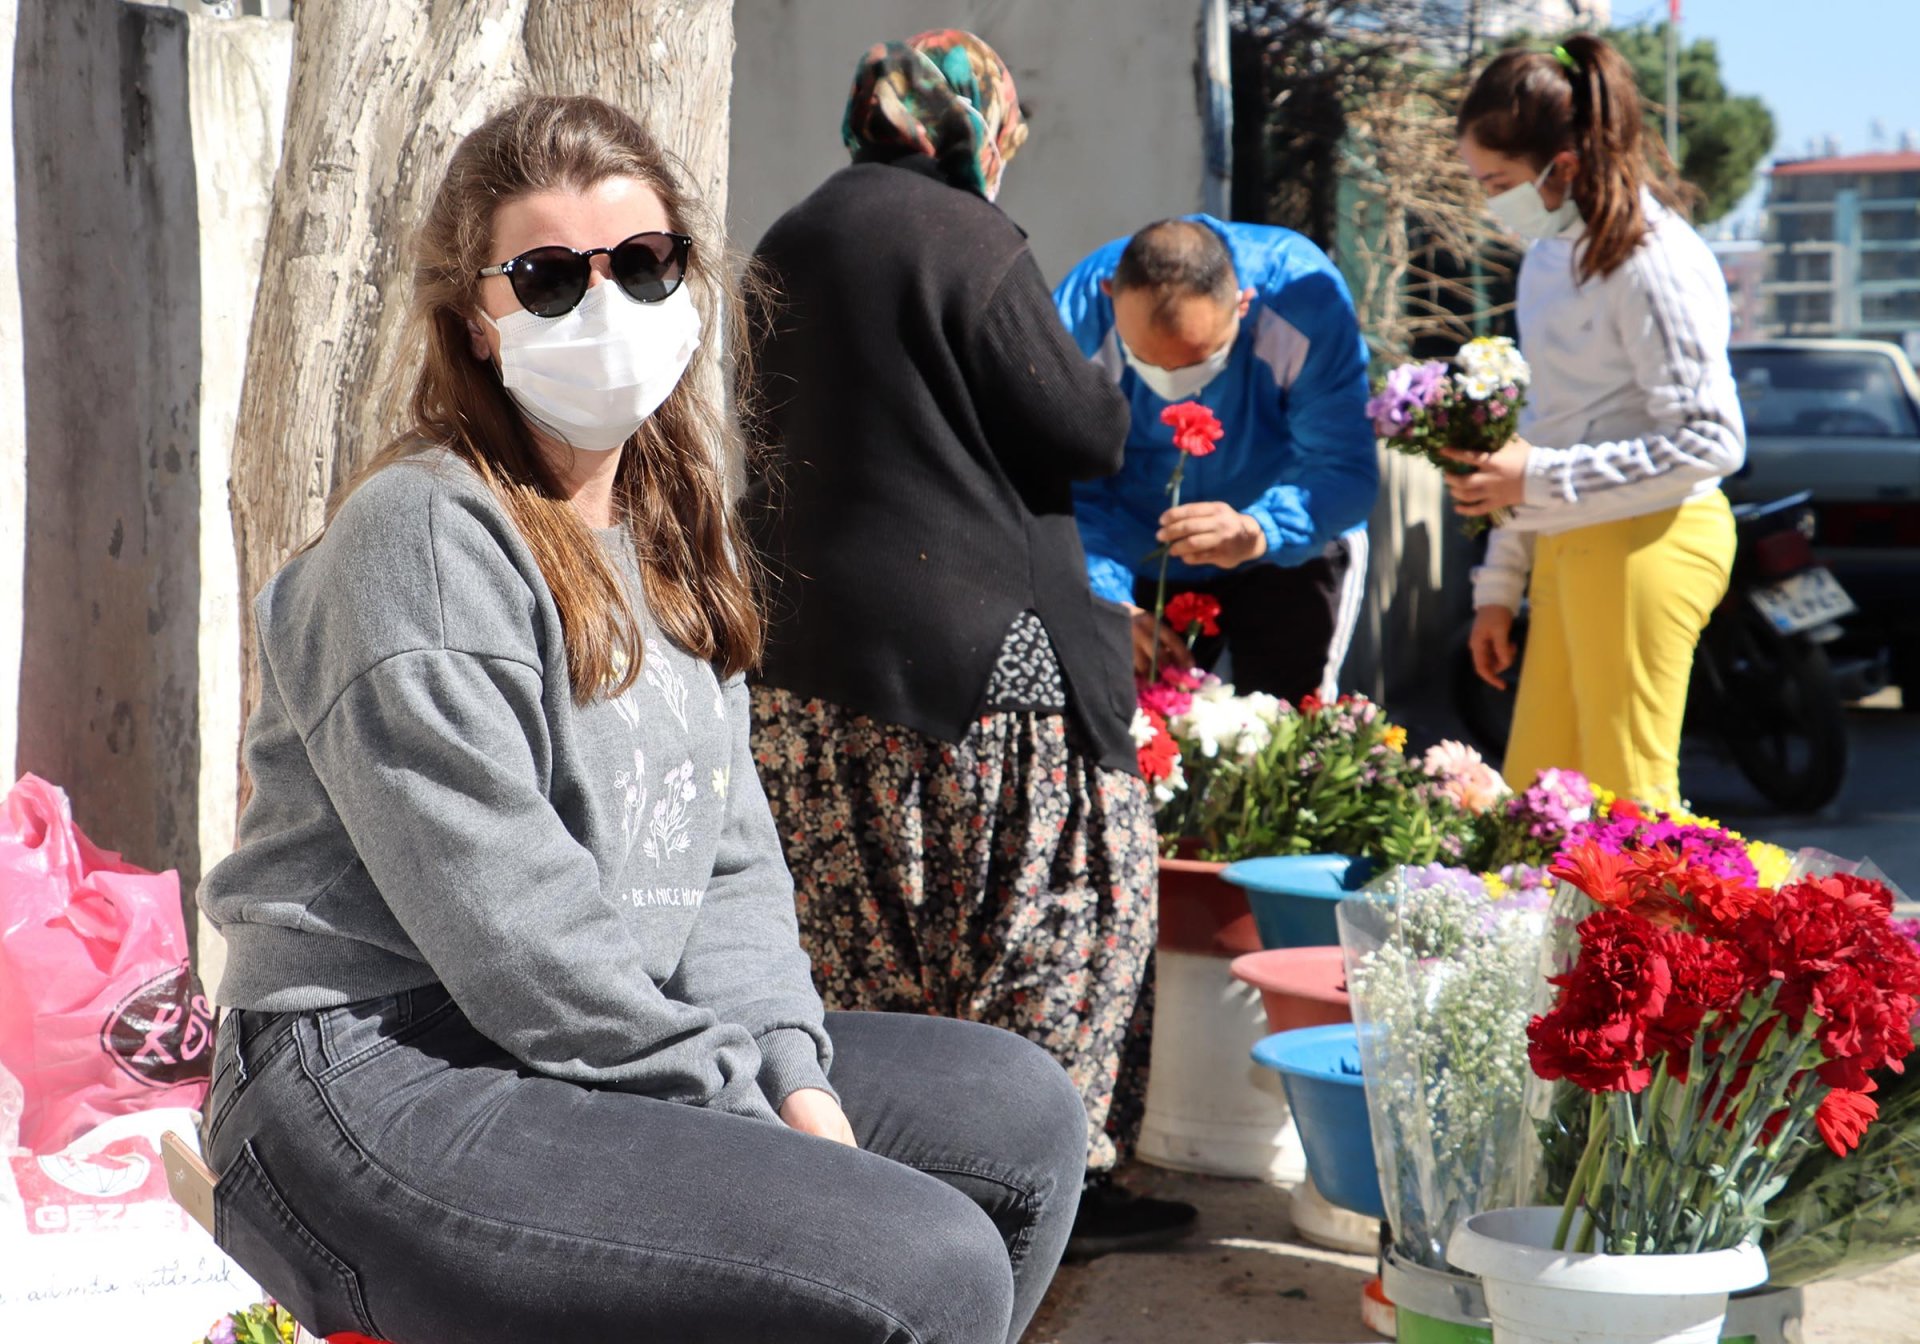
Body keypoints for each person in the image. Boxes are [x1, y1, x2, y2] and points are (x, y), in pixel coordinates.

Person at [197, 95, 1090, 1344]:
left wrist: (790, 1067)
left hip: (586, 1037)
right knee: (923, 1255)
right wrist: (740, 1104)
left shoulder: (665, 533)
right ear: (476, 316)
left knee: (1019, 1116)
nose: (603, 305)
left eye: (642, 262)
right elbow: (516, 934)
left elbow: (727, 858)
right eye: (549, 278)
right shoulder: (426, 538)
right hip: (373, 1078)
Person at [745, 31, 1192, 1257]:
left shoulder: (787, 241)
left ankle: (895, 1195)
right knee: (1060, 919)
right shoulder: (969, 241)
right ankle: (1043, 1189)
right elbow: (1082, 427)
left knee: (864, 949)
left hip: (809, 669)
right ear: (968, 125)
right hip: (982, 669)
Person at [1450, 36, 1744, 808]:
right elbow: (1547, 425)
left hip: (1655, 542)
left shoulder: (1652, 259)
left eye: (1499, 181)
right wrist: (1499, 584)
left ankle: (1711, 934)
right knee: (1543, 809)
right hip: (1573, 546)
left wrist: (1536, 479)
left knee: (1634, 810)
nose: (1489, 200)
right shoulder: (1550, 259)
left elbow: (1713, 438)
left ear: (1565, 166)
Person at [1054, 216, 1378, 701]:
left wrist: (1260, 531)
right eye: (1143, 358)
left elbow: (1341, 469)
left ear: (1244, 304)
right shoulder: (1079, 315)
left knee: (1285, 744)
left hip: (1285, 549)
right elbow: (1062, 476)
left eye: (1198, 360)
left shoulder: (1301, 298)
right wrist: (1105, 596)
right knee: (1129, 741)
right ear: (1109, 296)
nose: (1170, 380)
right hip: (1131, 551)